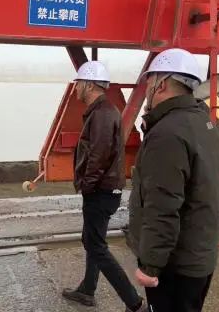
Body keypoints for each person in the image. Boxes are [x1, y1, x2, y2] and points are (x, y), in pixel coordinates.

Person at [127, 48, 219, 312]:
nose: (147, 89)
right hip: (199, 257)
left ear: (161, 84)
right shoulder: (203, 122)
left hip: (175, 267)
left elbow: (163, 207)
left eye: (150, 81)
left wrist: (150, 267)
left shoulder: (167, 134)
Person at [63, 61, 147, 312]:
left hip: (101, 191)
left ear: (89, 85)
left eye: (79, 83)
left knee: (96, 246)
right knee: (92, 240)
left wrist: (87, 186)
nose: (75, 88)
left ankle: (134, 303)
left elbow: (98, 156)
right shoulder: (103, 111)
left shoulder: (101, 114)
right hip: (104, 190)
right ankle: (87, 290)